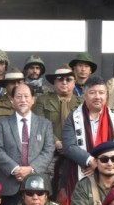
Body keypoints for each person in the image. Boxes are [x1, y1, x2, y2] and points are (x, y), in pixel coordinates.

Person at [62, 76, 114, 205]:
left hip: (111, 175)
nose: (97, 97)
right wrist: (92, 162)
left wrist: (111, 163)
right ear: (84, 95)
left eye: (101, 93)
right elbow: (69, 146)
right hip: (81, 173)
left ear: (107, 95)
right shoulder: (73, 118)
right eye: (92, 93)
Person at [0, 82, 55, 205]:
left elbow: (48, 150)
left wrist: (30, 169)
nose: (23, 100)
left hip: (38, 186)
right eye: (19, 97)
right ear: (12, 100)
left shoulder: (45, 124)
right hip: (10, 185)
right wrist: (15, 169)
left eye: (26, 96)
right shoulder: (2, 124)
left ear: (33, 100)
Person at [33, 65, 82, 194]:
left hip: (75, 151)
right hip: (49, 151)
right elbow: (39, 124)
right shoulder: (42, 100)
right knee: (47, 185)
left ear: (74, 82)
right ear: (54, 82)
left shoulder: (82, 103)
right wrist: (56, 142)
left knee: (74, 187)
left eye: (68, 79)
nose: (64, 82)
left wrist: (69, 145)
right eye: (60, 79)